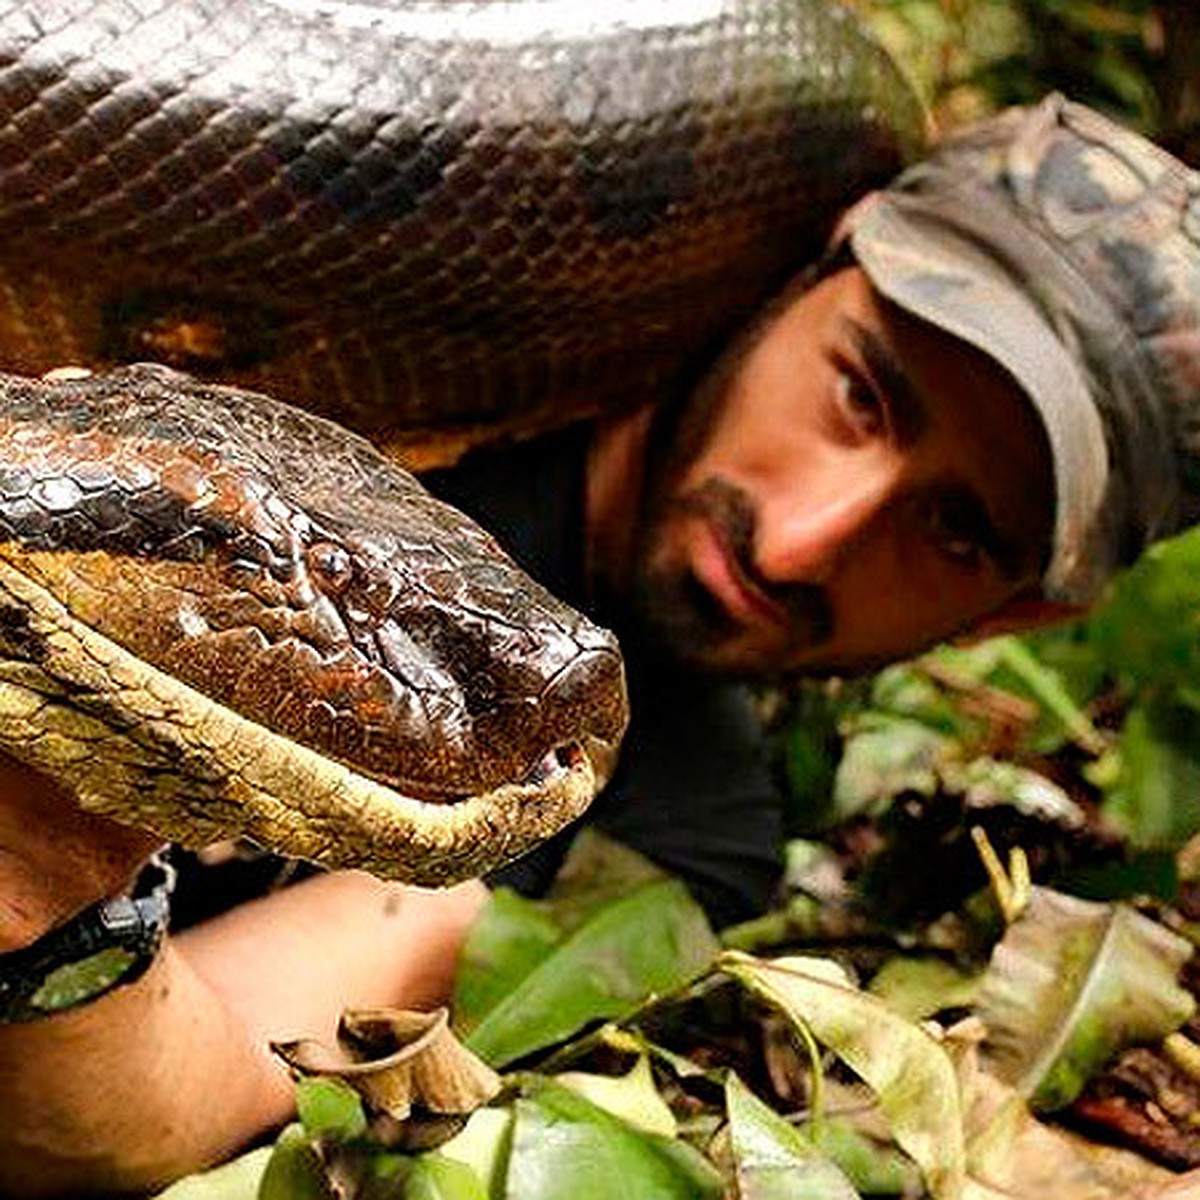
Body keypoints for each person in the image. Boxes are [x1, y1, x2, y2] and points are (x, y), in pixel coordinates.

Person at [3, 93, 1199, 1194]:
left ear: (1019, 616)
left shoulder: (669, 816)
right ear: (822, 253)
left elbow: (151, 1106)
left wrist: (47, 903)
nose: (797, 541)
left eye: (955, 532)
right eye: (863, 395)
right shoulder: (356, 309)